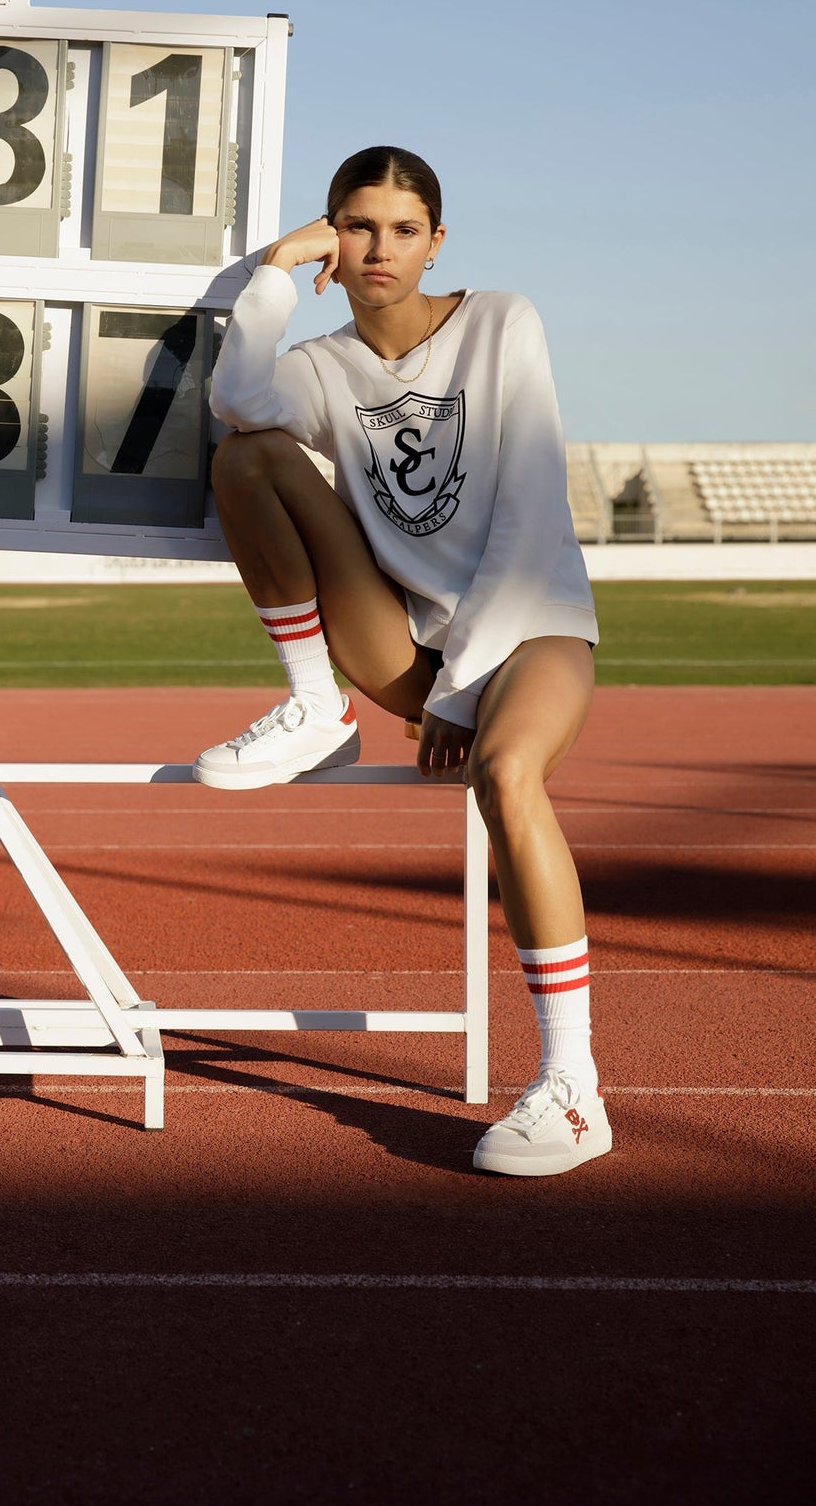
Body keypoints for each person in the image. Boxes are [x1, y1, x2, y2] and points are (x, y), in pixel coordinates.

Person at [198, 145, 607, 1177]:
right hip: (399, 639)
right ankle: (311, 706)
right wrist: (272, 271)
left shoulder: (501, 321)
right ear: (332, 235)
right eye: (354, 225)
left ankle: (570, 1088)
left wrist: (465, 687)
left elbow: (522, 515)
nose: (376, 248)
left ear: (435, 239)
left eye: (400, 228)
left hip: (526, 629)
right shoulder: (320, 368)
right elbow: (237, 400)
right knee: (244, 455)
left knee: (506, 776)